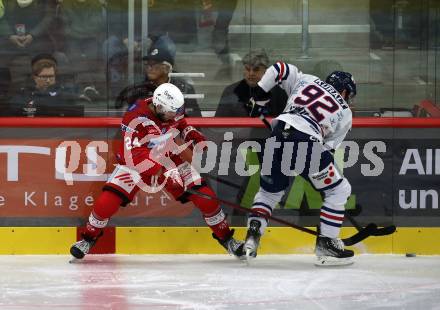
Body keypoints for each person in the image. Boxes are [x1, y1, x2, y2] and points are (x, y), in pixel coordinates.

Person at [70, 83, 244, 260]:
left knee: (206, 198)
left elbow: (180, 122)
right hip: (135, 162)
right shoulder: (136, 119)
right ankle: (88, 238)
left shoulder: (168, 109)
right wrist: (166, 172)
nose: (174, 115)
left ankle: (226, 239)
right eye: (171, 112)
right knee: (106, 202)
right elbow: (138, 156)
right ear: (158, 105)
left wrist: (190, 132)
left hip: (167, 156)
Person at [243, 62, 357, 266]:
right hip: (306, 142)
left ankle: (253, 236)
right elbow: (328, 150)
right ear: (345, 91)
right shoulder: (346, 112)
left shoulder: (307, 79)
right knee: (339, 190)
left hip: (276, 135)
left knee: (269, 193)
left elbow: (279, 68)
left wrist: (259, 92)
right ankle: (327, 245)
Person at [115, 41, 201, 116]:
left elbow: (195, 119)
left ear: (167, 68)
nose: (149, 68)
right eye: (147, 65)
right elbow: (126, 116)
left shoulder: (183, 89)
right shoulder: (139, 89)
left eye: (154, 65)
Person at [7, 53, 85, 116]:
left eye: (51, 76)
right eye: (44, 77)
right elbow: (15, 108)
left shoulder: (65, 93)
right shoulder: (24, 94)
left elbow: (74, 109)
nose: (48, 80)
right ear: (35, 77)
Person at [215, 49, 286, 117]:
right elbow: (218, 124)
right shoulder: (231, 91)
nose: (251, 73)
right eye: (247, 69)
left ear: (265, 71)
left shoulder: (278, 92)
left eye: (256, 69)